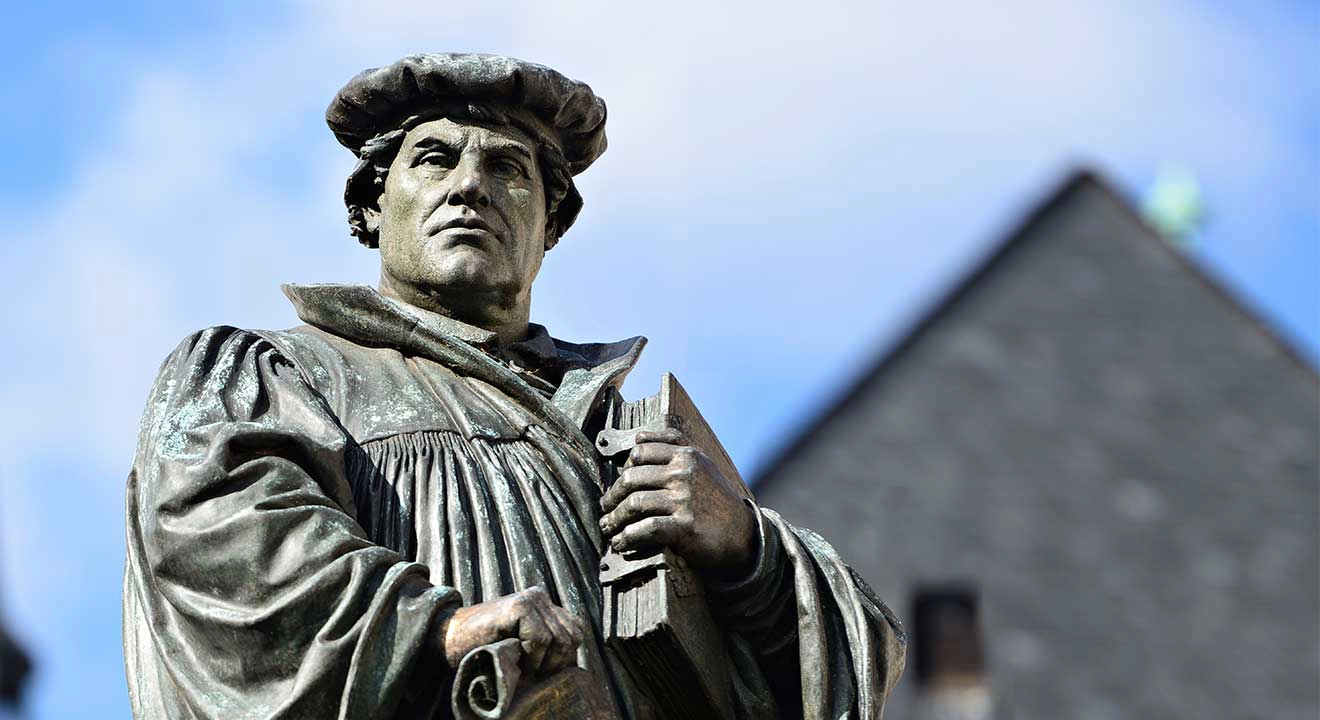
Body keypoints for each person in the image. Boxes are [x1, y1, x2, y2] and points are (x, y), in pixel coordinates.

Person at [123, 53, 905, 719]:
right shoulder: (272, 374)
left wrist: (745, 545)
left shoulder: (616, 423)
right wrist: (442, 631)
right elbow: (226, 552)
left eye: (507, 168)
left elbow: (860, 658)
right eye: (434, 158)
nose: (471, 186)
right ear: (372, 205)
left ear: (551, 223)